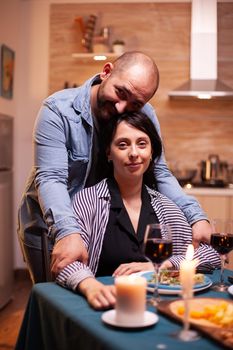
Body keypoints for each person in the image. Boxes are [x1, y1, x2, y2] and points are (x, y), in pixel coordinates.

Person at [17, 51, 211, 284]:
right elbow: (51, 178)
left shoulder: (144, 113)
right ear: (106, 72)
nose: (122, 108)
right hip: (51, 223)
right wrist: (67, 232)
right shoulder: (58, 110)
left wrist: (196, 217)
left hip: (99, 222)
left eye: (135, 103)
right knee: (54, 299)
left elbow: (160, 172)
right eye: (120, 92)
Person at [56, 112, 220, 310]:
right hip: (103, 304)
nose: (134, 153)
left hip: (160, 307)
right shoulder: (87, 201)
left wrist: (162, 266)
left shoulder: (166, 207)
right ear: (108, 152)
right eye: (123, 145)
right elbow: (65, 263)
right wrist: (90, 286)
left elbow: (212, 255)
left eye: (142, 144)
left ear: (152, 153)